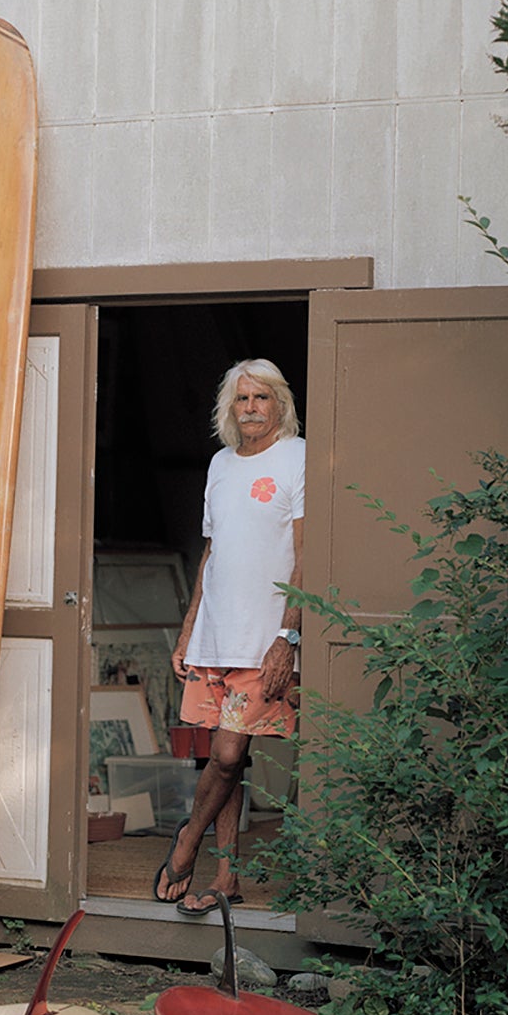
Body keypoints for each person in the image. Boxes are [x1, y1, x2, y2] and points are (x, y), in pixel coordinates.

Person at [154, 358, 304, 916]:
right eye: (242, 399)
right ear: (229, 406)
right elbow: (212, 555)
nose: (251, 408)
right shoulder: (219, 464)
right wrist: (189, 630)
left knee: (227, 750)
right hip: (215, 634)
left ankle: (186, 842)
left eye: (262, 398)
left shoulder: (298, 457)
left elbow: (307, 554)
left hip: (264, 637)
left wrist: (288, 634)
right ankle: (226, 878)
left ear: (280, 403)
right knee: (226, 763)